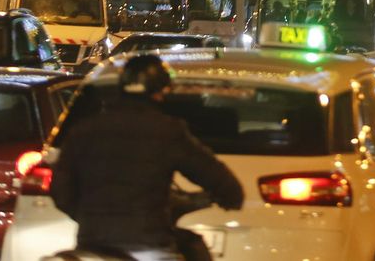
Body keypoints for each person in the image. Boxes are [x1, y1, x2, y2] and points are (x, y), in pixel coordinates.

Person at [51, 54, 244, 261]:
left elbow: (60, 191)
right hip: (149, 245)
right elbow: (214, 175)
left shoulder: (84, 130)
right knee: (191, 246)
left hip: (92, 245)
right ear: (160, 90)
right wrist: (230, 196)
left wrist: (90, 217)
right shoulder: (168, 131)